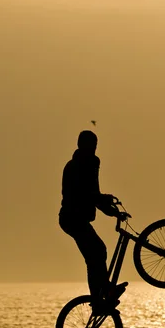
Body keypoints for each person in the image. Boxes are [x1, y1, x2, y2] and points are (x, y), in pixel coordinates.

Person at [59, 130, 129, 312]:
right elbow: (90, 195)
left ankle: (101, 295)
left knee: (95, 256)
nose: (94, 149)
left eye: (95, 146)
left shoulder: (87, 162)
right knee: (97, 252)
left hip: (75, 219)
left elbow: (94, 195)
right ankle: (102, 295)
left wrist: (109, 207)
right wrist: (111, 210)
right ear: (81, 145)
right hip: (71, 219)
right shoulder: (79, 165)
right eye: (91, 145)